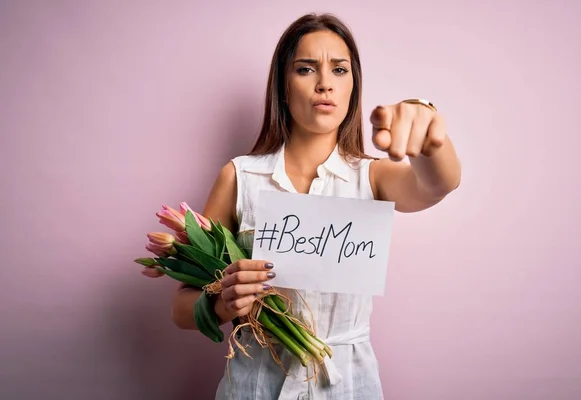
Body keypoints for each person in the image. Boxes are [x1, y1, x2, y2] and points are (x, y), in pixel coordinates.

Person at [162, 12, 460, 400]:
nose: (325, 84)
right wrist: (222, 303)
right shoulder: (239, 177)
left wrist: (428, 133)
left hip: (348, 385)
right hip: (254, 385)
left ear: (354, 86)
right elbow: (181, 308)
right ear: (283, 87)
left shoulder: (373, 177)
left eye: (339, 70)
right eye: (306, 69)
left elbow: (437, 184)